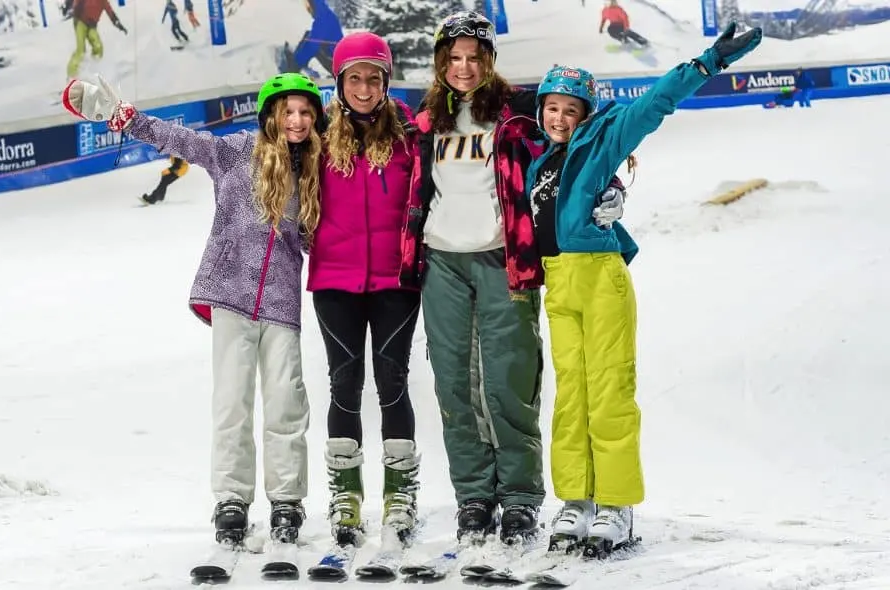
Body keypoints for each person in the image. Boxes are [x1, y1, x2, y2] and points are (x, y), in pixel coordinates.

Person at [61, 72, 328, 546]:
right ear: (270, 114)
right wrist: (125, 118)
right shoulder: (235, 152)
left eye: (306, 112)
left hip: (283, 301)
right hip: (231, 294)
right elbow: (178, 138)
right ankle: (231, 498)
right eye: (288, 111)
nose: (297, 120)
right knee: (233, 402)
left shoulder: (315, 169)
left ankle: (287, 500)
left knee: (288, 403)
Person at [526, 22, 762, 556]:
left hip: (600, 280)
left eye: (570, 108)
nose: (559, 117)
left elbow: (655, 102)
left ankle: (616, 504)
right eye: (552, 107)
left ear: (586, 115)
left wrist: (708, 62)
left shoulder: (603, 140)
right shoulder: (539, 163)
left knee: (609, 394)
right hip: (558, 284)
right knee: (571, 400)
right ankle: (576, 501)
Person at [410, 11, 627, 545]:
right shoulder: (425, 120)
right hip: (442, 262)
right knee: (456, 386)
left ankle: (522, 498)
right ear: (441, 63)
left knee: (509, 381)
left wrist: (612, 189)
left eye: (474, 57)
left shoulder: (519, 115)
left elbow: (576, 150)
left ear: (489, 61)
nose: (464, 67)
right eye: (454, 58)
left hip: (505, 261)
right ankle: (475, 498)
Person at [308, 32, 423, 547]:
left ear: (386, 80)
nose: (363, 87)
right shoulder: (315, 137)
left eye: (373, 77)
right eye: (353, 77)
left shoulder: (410, 134)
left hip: (396, 279)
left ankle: (400, 493)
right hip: (335, 277)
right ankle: (346, 493)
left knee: (393, 378)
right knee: (344, 381)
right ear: (339, 82)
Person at [62, 0, 128, 82]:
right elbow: (76, 2)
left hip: (91, 26)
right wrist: (70, 9)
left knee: (98, 47)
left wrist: (119, 25)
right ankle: (72, 76)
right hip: (80, 22)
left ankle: (92, 69)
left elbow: (110, 12)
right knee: (81, 49)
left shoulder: (103, 1)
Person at [278, 0, 343, 77]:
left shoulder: (323, 19)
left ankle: (294, 69)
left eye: (306, 4)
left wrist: (295, 66)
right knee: (307, 37)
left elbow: (311, 46)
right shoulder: (323, 15)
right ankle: (296, 64)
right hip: (333, 57)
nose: (306, 8)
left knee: (310, 44)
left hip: (337, 63)